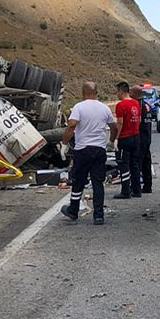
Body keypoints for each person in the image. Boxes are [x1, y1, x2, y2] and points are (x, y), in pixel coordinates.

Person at [59, 82, 116, 225]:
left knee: (78, 181)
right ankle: (98, 215)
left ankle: (73, 211)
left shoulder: (79, 107)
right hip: (99, 150)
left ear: (83, 93)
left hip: (82, 150)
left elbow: (71, 125)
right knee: (98, 182)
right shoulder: (105, 108)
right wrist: (111, 141)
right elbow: (113, 126)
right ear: (96, 93)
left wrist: (64, 144)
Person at [114, 81, 142, 199]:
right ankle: (136, 190)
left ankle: (125, 191)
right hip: (136, 136)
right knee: (134, 164)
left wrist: (115, 138)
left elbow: (120, 123)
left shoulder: (121, 105)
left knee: (124, 165)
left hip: (125, 138)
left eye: (117, 92)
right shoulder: (136, 103)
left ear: (121, 92)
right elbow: (139, 119)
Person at [131, 85, 153, 194]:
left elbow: (137, 121)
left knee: (137, 162)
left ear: (135, 94)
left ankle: (136, 187)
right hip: (147, 137)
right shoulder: (147, 105)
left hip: (141, 137)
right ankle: (148, 186)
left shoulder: (138, 105)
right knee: (146, 162)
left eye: (131, 92)